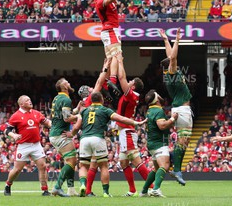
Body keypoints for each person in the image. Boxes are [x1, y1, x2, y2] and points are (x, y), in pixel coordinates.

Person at [67, 92, 146, 198]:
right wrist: (135, 123)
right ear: (101, 100)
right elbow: (120, 118)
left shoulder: (84, 110)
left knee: (83, 166)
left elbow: (74, 123)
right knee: (103, 166)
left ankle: (82, 185)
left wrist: (71, 134)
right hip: (98, 138)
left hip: (84, 139)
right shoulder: (105, 110)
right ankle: (105, 192)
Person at [158, 28, 192, 185]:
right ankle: (176, 168)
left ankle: (175, 163)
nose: (175, 63)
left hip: (179, 109)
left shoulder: (168, 75)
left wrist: (166, 40)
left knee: (182, 141)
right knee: (183, 141)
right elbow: (172, 58)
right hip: (183, 110)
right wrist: (177, 39)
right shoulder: (172, 73)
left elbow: (170, 57)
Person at [92, 0, 133, 100]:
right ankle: (113, 80)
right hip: (110, 30)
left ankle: (104, 85)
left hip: (109, 31)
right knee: (117, 55)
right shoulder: (99, 1)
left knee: (110, 59)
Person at [114, 53, 149, 196]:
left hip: (127, 132)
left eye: (130, 81)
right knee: (123, 163)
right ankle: (132, 190)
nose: (127, 81)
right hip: (123, 132)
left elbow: (121, 77)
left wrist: (120, 62)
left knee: (136, 161)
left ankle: (152, 188)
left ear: (133, 86)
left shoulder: (130, 94)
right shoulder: (132, 96)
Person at [75, 59, 111, 197]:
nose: (91, 88)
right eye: (89, 88)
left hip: (85, 136)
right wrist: (106, 67)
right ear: (87, 92)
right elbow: (99, 81)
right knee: (101, 165)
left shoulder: (84, 105)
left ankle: (87, 190)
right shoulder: (92, 99)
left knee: (91, 165)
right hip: (96, 136)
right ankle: (103, 192)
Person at [4, 95, 52, 196]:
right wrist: (13, 135)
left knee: (42, 166)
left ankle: (45, 190)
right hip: (23, 145)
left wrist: (55, 125)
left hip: (36, 145)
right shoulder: (16, 116)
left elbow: (47, 123)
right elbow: (7, 130)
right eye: (27, 100)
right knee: (17, 170)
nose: (30, 101)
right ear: (21, 104)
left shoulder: (36, 113)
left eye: (30, 99)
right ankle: (8, 185)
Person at [139, 90, 178, 197]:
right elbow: (162, 126)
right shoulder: (158, 110)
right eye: (159, 95)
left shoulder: (150, 110)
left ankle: (144, 191)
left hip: (152, 143)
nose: (161, 96)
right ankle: (156, 189)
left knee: (156, 169)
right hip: (158, 143)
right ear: (156, 100)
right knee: (164, 165)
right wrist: (172, 119)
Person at [49, 78, 78, 197]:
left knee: (69, 161)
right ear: (64, 87)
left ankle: (71, 190)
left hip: (55, 133)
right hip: (61, 134)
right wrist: (81, 116)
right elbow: (67, 118)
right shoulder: (66, 99)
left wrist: (77, 110)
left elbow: (63, 115)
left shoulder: (57, 98)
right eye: (67, 82)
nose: (69, 83)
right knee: (72, 160)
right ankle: (57, 187)